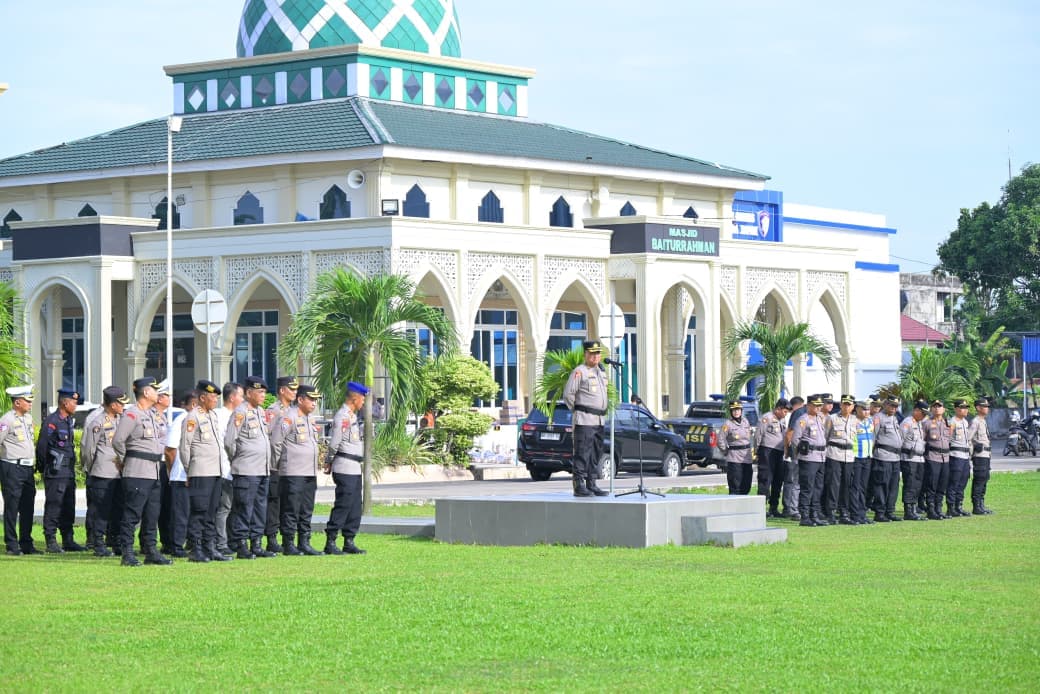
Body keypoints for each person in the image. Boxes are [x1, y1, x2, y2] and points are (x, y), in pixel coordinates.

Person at [111, 377, 172, 566]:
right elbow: (118, 440)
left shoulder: (153, 415)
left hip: (154, 470)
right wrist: (125, 459)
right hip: (137, 470)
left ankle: (151, 550)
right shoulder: (132, 414)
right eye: (155, 390)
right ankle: (127, 552)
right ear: (146, 392)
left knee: (152, 514)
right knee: (132, 513)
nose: (158, 393)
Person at [225, 376, 275, 559]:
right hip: (246, 469)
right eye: (259, 392)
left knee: (260, 508)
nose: (263, 395)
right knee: (244, 508)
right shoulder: (240, 412)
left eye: (264, 392)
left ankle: (256, 544)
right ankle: (241, 545)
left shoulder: (260, 412)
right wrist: (239, 459)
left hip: (262, 469)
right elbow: (230, 442)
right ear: (248, 393)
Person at [179, 380, 229, 563]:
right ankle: (196, 548)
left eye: (216, 397)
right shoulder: (193, 417)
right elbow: (185, 446)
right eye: (212, 397)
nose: (215, 400)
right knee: (199, 511)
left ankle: (210, 547)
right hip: (200, 470)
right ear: (202, 398)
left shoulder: (212, 415)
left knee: (211, 511)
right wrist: (188, 470)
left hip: (215, 470)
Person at [271, 383, 323, 555]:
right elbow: (276, 442)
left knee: (306, 508)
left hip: (309, 472)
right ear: (300, 400)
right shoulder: (289, 417)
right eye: (311, 399)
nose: (314, 403)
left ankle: (304, 542)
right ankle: (288, 543)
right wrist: (277, 466)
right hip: (293, 471)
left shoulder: (309, 419)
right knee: (291, 508)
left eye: (315, 400)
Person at [81, 385, 129, 556]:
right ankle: (98, 543)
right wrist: (91, 468)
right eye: (121, 403)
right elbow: (88, 450)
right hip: (102, 472)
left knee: (118, 509)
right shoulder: (98, 422)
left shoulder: (121, 420)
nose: (123, 406)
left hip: (119, 473)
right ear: (113, 404)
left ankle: (115, 541)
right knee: (101, 510)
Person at [36, 388, 86, 553]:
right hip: (56, 472)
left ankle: (68, 540)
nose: (76, 405)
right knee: (54, 506)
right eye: (74, 402)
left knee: (68, 506)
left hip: (68, 472)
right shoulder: (52, 421)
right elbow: (42, 447)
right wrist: (44, 468)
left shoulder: (68, 421)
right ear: (65, 403)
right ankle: (51, 540)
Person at [324, 381, 369, 555]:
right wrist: (328, 460)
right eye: (362, 398)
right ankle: (331, 540)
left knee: (355, 506)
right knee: (343, 504)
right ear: (354, 398)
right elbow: (335, 442)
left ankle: (349, 540)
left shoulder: (352, 416)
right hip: (344, 466)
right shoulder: (342, 416)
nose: (363, 402)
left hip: (354, 467)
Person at [562, 339, 610, 498]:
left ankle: (592, 483)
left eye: (597, 354)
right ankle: (579, 485)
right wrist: (578, 410)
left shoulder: (601, 372)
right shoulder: (579, 371)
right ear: (585, 354)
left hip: (599, 420)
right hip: (584, 420)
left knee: (595, 454)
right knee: (582, 452)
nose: (595, 357)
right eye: (592, 354)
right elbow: (568, 394)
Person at [0, 385, 39, 555]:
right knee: (12, 506)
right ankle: (12, 544)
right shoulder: (6, 420)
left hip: (27, 468)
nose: (30, 404)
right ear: (17, 402)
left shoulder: (28, 419)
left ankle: (26, 543)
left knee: (27, 506)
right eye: (27, 401)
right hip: (12, 467)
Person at [264, 376, 298, 553]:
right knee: (274, 502)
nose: (294, 392)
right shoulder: (273, 411)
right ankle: (271, 538)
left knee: (287, 502)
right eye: (291, 389)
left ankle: (287, 538)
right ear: (282, 390)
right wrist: (273, 463)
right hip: (276, 464)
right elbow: (270, 438)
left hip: (290, 465)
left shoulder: (293, 411)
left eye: (296, 389)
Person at [161, 390, 197, 557]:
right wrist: (171, 471)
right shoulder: (182, 420)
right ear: (194, 404)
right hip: (181, 474)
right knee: (180, 513)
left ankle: (193, 543)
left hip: (198, 474)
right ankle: (176, 546)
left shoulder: (204, 419)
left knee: (195, 513)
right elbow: (170, 450)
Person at [214, 382, 243, 556]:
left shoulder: (235, 415)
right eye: (240, 396)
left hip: (234, 469)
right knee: (224, 508)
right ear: (232, 397)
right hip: (224, 467)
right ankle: (221, 542)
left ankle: (231, 540)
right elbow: (228, 444)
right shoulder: (221, 416)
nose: (242, 399)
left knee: (232, 507)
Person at [794, 395, 828, 526]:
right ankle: (805, 516)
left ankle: (814, 514)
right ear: (808, 406)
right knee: (807, 488)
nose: (818, 408)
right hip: (809, 458)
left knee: (818, 487)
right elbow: (795, 439)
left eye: (820, 406)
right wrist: (801, 454)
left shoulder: (820, 419)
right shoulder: (803, 420)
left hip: (821, 457)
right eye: (815, 405)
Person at [823, 394, 857, 524]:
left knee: (846, 484)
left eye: (849, 404)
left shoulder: (855, 420)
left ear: (853, 406)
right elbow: (825, 436)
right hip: (834, 454)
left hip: (849, 455)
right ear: (841, 405)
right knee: (833, 484)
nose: (847, 407)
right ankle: (831, 512)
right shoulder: (832, 418)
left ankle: (844, 512)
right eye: (845, 404)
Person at [754, 398, 789, 517]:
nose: (785, 414)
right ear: (778, 409)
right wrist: (757, 451)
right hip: (767, 451)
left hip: (779, 452)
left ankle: (773, 507)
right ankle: (761, 508)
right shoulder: (767, 418)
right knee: (765, 479)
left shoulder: (782, 420)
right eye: (784, 411)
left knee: (778, 480)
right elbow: (758, 435)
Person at [870, 397, 903, 522]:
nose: (894, 408)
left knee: (893, 485)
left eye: (896, 406)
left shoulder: (894, 418)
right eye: (892, 405)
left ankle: (890, 511)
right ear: (885, 405)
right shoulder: (878, 417)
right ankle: (880, 512)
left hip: (895, 457)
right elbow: (873, 437)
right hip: (883, 456)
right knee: (882, 484)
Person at [921, 399, 952, 520]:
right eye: (935, 406)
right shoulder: (927, 423)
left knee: (942, 485)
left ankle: (939, 509)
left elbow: (950, 439)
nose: (937, 408)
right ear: (931, 409)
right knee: (932, 485)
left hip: (946, 458)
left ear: (944, 409)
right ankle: (931, 509)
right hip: (932, 457)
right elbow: (922, 440)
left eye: (939, 406)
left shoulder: (948, 423)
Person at [899, 400, 929, 521]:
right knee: (910, 484)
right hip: (909, 458)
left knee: (917, 484)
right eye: (923, 413)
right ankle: (908, 510)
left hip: (919, 458)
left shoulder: (920, 423)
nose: (924, 416)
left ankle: (914, 508)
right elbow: (900, 440)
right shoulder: (907, 422)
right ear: (916, 410)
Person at [719, 400, 753, 495]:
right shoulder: (727, 424)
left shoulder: (745, 422)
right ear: (731, 411)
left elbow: (749, 437)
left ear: (741, 411)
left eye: (738, 410)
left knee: (746, 485)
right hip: (734, 458)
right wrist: (726, 452)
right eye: (734, 410)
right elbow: (720, 440)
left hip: (746, 458)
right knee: (735, 486)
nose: (736, 412)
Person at [946, 398, 973, 517]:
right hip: (956, 456)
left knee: (963, 482)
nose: (965, 410)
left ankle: (958, 506)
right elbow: (947, 439)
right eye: (962, 408)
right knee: (954, 482)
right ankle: (951, 508)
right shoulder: (952, 422)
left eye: (966, 408)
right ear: (956, 409)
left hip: (965, 456)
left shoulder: (965, 422)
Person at [850, 401, 875, 525]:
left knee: (863, 487)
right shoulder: (853, 421)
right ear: (857, 409)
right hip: (856, 457)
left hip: (867, 457)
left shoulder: (870, 421)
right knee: (855, 487)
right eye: (864, 409)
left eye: (868, 409)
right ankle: (855, 514)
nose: (866, 412)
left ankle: (862, 513)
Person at [968, 397, 994, 514]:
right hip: (979, 455)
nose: (987, 408)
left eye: (987, 406)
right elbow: (968, 438)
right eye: (984, 406)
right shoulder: (975, 421)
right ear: (978, 408)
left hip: (986, 454)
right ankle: (976, 506)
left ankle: (981, 504)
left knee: (985, 478)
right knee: (979, 479)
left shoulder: (983, 421)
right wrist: (972, 451)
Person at [781, 395, 805, 519]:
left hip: (795, 452)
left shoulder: (797, 412)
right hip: (803, 453)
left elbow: (789, 434)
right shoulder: (804, 412)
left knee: (791, 481)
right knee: (796, 481)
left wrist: (786, 451)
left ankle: (788, 508)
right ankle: (792, 508)